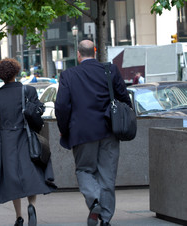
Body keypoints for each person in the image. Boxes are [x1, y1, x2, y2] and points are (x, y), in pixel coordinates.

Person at [55, 40, 132, 226]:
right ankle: (105, 219)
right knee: (107, 175)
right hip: (109, 130)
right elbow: (124, 98)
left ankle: (94, 200)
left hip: (82, 133)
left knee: (84, 170)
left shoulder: (69, 75)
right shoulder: (110, 71)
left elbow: (61, 106)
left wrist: (64, 130)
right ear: (95, 52)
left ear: (78, 54)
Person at [0, 58, 56, 226]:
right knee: (30, 173)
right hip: (26, 136)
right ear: (16, 72)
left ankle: (19, 216)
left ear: (0, 76)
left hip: (5, 140)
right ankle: (32, 206)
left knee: (12, 177)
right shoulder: (28, 90)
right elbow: (39, 110)